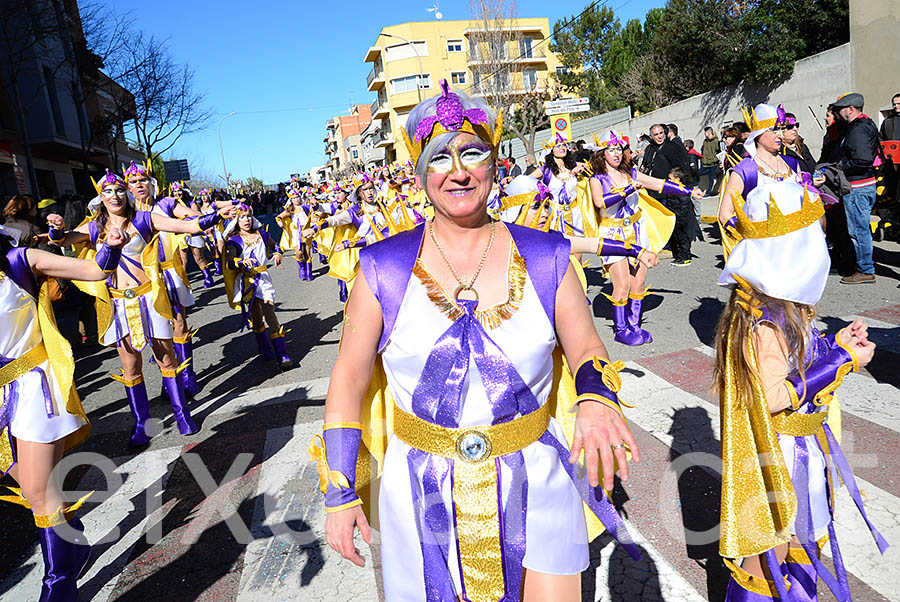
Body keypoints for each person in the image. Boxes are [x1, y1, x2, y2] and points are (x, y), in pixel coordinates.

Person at [313, 80, 642, 601]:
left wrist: (597, 400)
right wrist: (339, 490)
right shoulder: (383, 268)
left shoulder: (547, 256)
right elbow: (349, 378)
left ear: (495, 163)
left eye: (472, 152)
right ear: (421, 174)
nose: (459, 171)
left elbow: (586, 349)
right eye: (440, 158)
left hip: (536, 476)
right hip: (420, 490)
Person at [714, 102, 887, 602]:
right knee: (775, 550)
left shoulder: (781, 308)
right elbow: (771, 397)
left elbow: (799, 367)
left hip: (797, 448)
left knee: (798, 543)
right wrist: (839, 362)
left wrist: (833, 344)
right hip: (782, 454)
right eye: (812, 243)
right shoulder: (766, 321)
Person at [47, 170, 235, 446]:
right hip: (118, 304)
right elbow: (61, 241)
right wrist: (56, 226)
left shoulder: (145, 219)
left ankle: (182, 414)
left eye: (119, 190)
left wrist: (218, 216)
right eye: (107, 191)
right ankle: (141, 425)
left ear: (128, 194)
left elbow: (188, 227)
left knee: (166, 360)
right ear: (100, 197)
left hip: (149, 299)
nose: (114, 196)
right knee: (131, 367)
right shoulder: (94, 226)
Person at [0, 221, 126, 601]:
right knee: (25, 479)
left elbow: (94, 271)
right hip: (2, 395)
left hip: (33, 385)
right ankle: (71, 542)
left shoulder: (19, 261)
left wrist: (112, 245)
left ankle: (59, 584)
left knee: (39, 490)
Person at [589, 130, 702, 344]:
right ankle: (621, 329)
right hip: (613, 234)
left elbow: (658, 183)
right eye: (611, 150)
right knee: (621, 284)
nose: (616, 154)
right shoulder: (597, 179)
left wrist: (688, 191)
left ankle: (634, 325)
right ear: (602, 153)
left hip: (637, 231)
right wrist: (628, 190)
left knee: (638, 284)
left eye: (619, 149)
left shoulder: (631, 173)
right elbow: (600, 202)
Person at [222, 203, 292, 369]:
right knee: (256, 317)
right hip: (247, 282)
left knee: (270, 314)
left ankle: (283, 355)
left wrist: (277, 253)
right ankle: (265, 349)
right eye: (241, 217)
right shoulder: (234, 241)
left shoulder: (262, 234)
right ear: (236, 220)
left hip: (264, 279)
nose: (246, 220)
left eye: (248, 216)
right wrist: (240, 261)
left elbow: (276, 245)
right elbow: (230, 262)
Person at [832, 93, 881, 284]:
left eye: (841, 109)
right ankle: (864, 266)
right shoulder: (866, 123)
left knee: (858, 230)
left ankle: (865, 269)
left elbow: (862, 159)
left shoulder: (858, 129)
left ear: (850, 109)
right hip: (864, 184)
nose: (838, 113)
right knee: (861, 228)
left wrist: (840, 166)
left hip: (858, 186)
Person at [700, 127, 722, 196]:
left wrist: (716, 159)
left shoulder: (716, 141)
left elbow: (719, 151)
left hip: (713, 163)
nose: (705, 134)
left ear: (709, 132)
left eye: (706, 132)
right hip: (706, 163)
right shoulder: (705, 141)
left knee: (712, 178)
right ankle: (705, 190)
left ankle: (709, 192)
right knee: (701, 173)